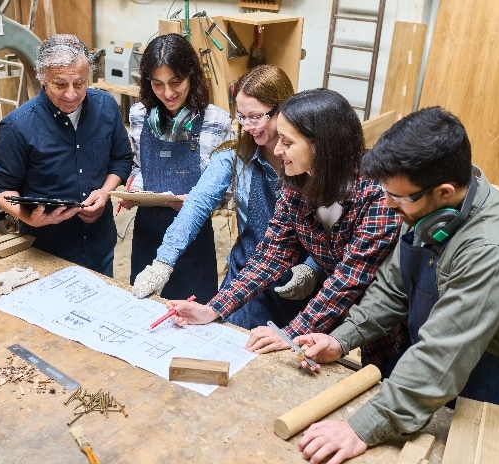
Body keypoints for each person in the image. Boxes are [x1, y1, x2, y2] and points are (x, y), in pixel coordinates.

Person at [293, 106, 499, 464]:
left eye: (398, 198)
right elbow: (393, 287)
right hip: (438, 365)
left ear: (445, 191)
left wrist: (362, 427)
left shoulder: (493, 249)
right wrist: (342, 338)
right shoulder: (425, 207)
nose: (388, 205)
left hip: (492, 379)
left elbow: (444, 353)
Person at [168, 89, 402, 354]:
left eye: (288, 143)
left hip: (387, 317)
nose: (277, 150)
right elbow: (272, 254)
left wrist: (291, 333)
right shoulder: (297, 184)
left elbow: (349, 278)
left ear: (322, 146)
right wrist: (214, 308)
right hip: (338, 315)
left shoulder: (376, 195)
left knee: (388, 375)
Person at [133, 64, 324, 330]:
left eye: (256, 117)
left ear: (284, 110)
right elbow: (196, 205)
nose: (248, 127)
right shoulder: (232, 157)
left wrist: (312, 267)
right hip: (248, 275)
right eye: (242, 117)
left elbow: (334, 230)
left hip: (303, 284)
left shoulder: (308, 162)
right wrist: (163, 262)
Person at [0, 34, 132, 276]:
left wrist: (105, 192)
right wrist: (31, 219)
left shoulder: (106, 107)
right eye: (60, 84)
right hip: (46, 251)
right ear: (42, 78)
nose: (71, 94)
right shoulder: (17, 127)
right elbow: (0, 187)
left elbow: (121, 159)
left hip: (100, 244)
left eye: (80, 83)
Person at [120, 33, 232, 304]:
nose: (168, 93)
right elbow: (139, 168)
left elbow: (226, 189)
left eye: (176, 82)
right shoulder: (139, 115)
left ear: (192, 76)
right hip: (147, 233)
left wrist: (198, 204)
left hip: (194, 241)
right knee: (145, 310)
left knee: (195, 320)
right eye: (157, 84)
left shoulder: (216, 121)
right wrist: (134, 189)